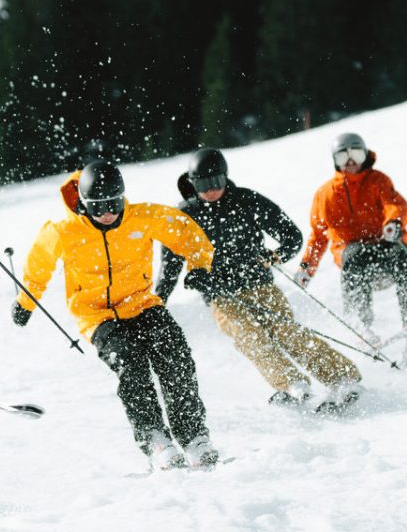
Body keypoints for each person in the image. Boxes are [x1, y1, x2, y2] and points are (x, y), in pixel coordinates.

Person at [13, 160, 221, 470]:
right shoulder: (64, 231)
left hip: (141, 303)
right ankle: (154, 439)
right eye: (98, 207)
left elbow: (185, 231)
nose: (108, 213)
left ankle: (194, 437)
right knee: (130, 362)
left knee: (174, 353)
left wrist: (201, 265)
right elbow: (38, 265)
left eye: (113, 203)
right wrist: (25, 303)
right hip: (96, 315)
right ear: (84, 204)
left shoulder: (143, 217)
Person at [155, 148, 362, 412]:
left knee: (288, 332)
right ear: (193, 183)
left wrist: (274, 255)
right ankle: (293, 386)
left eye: (216, 182)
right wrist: (158, 301)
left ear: (225, 177)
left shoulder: (246, 200)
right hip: (220, 295)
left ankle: (343, 378)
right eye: (203, 185)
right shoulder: (183, 216)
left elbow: (291, 236)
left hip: (259, 285)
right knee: (249, 337)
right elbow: (170, 266)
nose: (211, 191)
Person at [299, 132, 407, 345]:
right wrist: (307, 268)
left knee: (406, 260)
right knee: (353, 256)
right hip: (352, 252)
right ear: (334, 160)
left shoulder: (378, 181)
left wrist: (393, 223)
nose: (350, 162)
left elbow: (394, 204)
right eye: (343, 157)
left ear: (365, 155)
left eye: (356, 154)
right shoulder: (325, 194)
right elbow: (318, 235)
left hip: (382, 243)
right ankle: (360, 327)